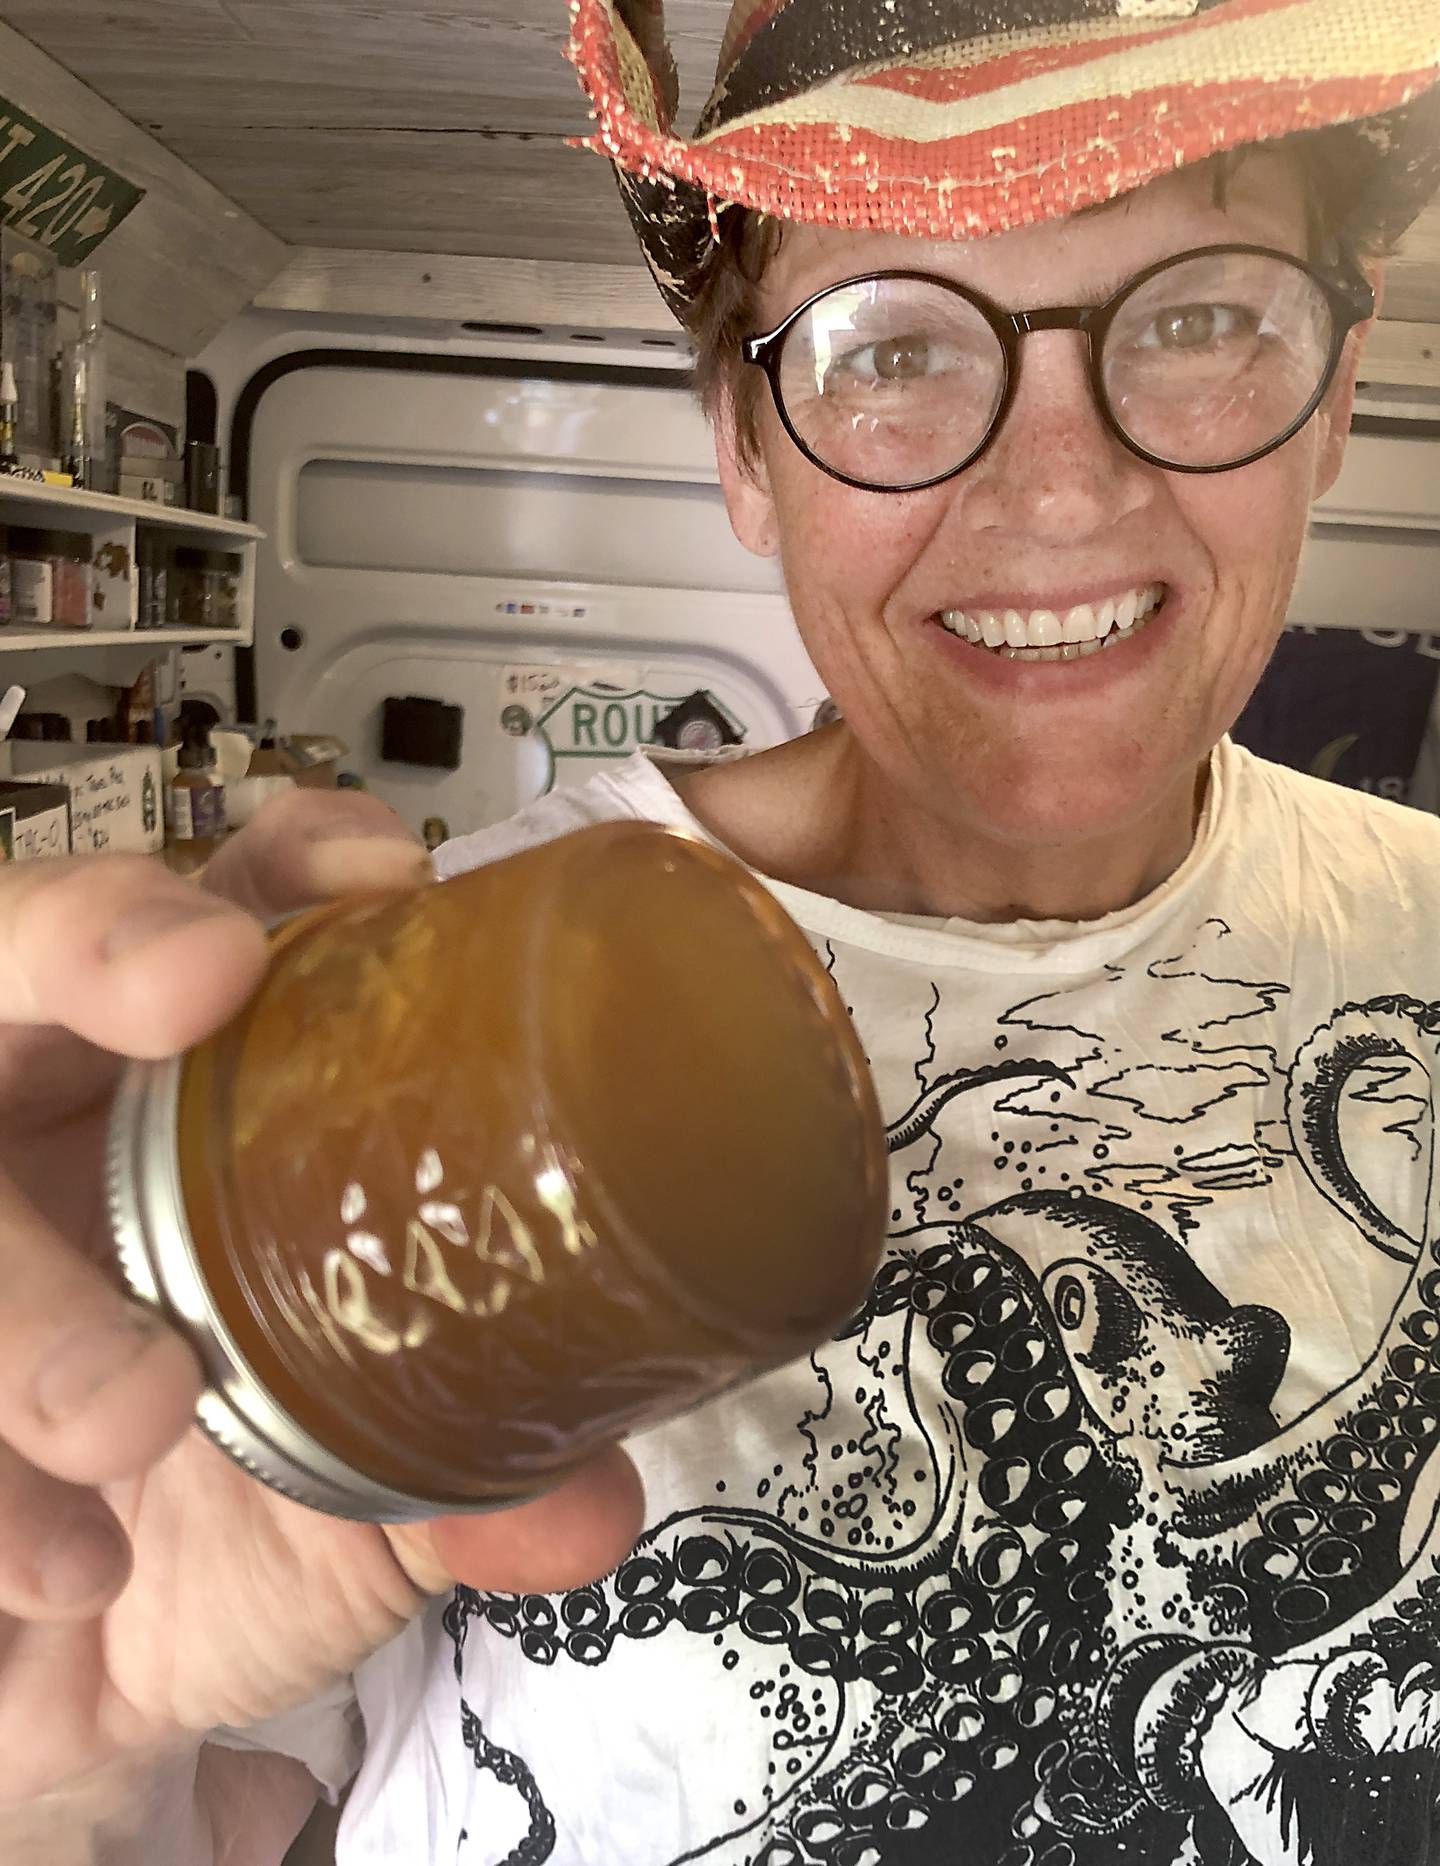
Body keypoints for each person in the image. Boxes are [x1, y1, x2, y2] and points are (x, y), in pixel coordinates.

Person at [3, 1, 1440, 1861]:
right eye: (891, 345)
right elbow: (205, 1812)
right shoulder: (411, 1031)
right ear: (748, 450)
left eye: (1199, 320)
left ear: (1334, 393)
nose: (1066, 489)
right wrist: (60, 1767)